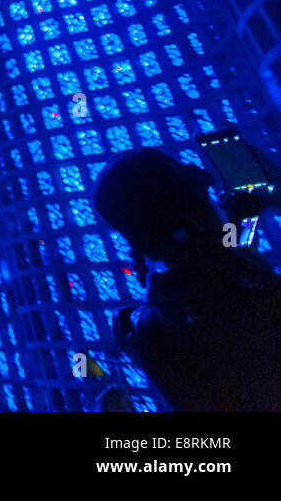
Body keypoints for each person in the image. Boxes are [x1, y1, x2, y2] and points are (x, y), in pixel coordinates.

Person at [92, 147, 281, 411]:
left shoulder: (153, 325)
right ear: (197, 217)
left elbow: (224, 260)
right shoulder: (247, 300)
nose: (217, 202)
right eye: (208, 199)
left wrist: (238, 221)